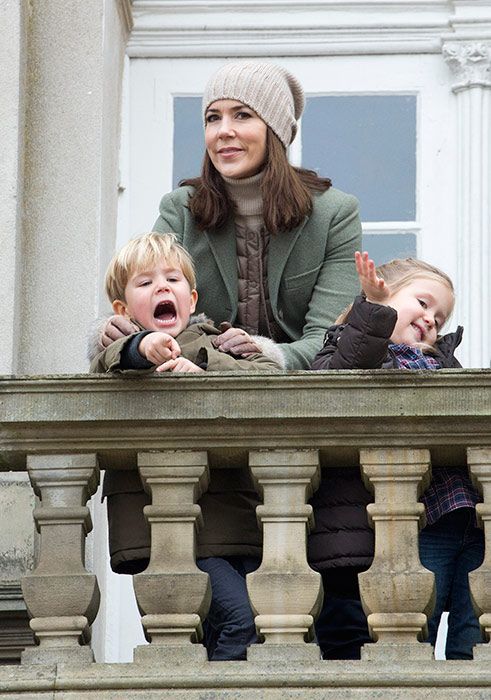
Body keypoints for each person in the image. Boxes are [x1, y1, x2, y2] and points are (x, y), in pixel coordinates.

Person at [92, 61, 362, 661]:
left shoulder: (333, 213)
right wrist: (126, 333)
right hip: (201, 436)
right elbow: (151, 298)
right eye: (213, 117)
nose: (224, 131)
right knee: (206, 618)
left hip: (295, 434)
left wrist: (266, 354)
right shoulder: (181, 207)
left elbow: (330, 340)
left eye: (243, 115)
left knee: (303, 624)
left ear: (276, 129)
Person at [310, 251, 483, 660]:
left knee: (472, 632)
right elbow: (344, 378)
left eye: (439, 319)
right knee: (413, 633)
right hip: (425, 520)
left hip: (470, 517)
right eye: (423, 303)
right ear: (383, 294)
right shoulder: (353, 345)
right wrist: (371, 310)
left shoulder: (443, 364)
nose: (431, 320)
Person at [90, 231, 282, 375]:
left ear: (191, 301)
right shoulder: (119, 348)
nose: (162, 287)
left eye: (173, 279)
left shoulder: (215, 342)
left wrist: (206, 368)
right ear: (123, 310)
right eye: (146, 283)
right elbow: (101, 365)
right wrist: (140, 345)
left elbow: (271, 371)